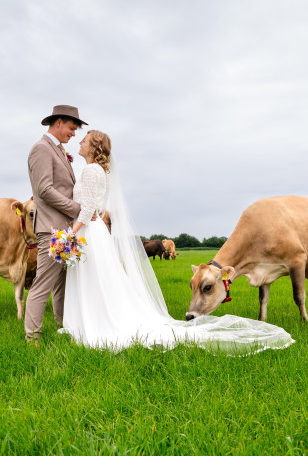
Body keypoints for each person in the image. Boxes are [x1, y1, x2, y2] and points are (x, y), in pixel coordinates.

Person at [61, 130, 295, 354]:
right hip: (96, 232)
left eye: (85, 140)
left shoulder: (91, 171)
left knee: (92, 278)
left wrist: (73, 233)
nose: (80, 142)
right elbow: (99, 207)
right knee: (97, 279)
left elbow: (90, 207)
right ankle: (90, 320)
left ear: (94, 147)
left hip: (88, 232)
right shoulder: (102, 172)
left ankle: (89, 323)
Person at [23, 105, 88, 344]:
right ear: (58, 122)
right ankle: (33, 337)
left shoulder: (59, 150)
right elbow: (44, 190)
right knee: (43, 283)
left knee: (62, 284)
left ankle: (63, 327)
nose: (73, 134)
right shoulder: (41, 148)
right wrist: (77, 209)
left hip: (65, 228)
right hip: (51, 228)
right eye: (71, 128)